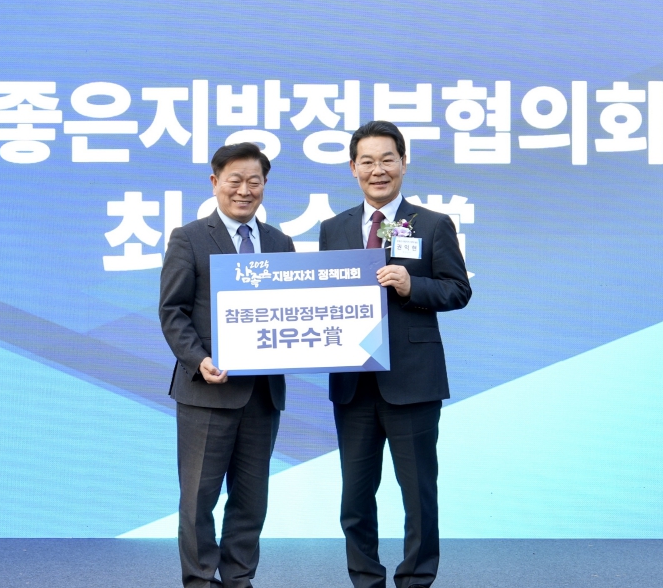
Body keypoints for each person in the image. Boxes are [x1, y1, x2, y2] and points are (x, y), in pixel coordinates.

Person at [319, 121, 472, 588]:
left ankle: (416, 580)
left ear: (404, 163)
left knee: (418, 495)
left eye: (387, 159)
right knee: (355, 498)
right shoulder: (333, 228)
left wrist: (412, 285)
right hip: (353, 383)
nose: (378, 170)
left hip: (413, 381)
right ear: (353, 168)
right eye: (367, 161)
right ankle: (365, 579)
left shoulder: (432, 224)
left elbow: (458, 290)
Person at [159, 142, 294, 588]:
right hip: (207, 390)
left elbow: (294, 309)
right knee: (199, 497)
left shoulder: (280, 243)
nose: (244, 190)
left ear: (265, 185)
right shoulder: (190, 237)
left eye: (254, 181)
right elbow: (173, 311)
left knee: (251, 499)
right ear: (215, 183)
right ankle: (200, 580)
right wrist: (199, 360)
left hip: (263, 394)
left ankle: (239, 578)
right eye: (234, 181)